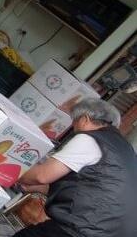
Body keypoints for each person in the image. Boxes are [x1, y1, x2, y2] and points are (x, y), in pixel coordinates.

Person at [15, 97, 137, 237]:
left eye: (74, 122)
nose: (74, 128)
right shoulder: (125, 150)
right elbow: (87, 190)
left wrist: (13, 172)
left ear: (84, 119)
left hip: (81, 229)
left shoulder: (91, 139)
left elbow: (41, 175)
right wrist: (38, 188)